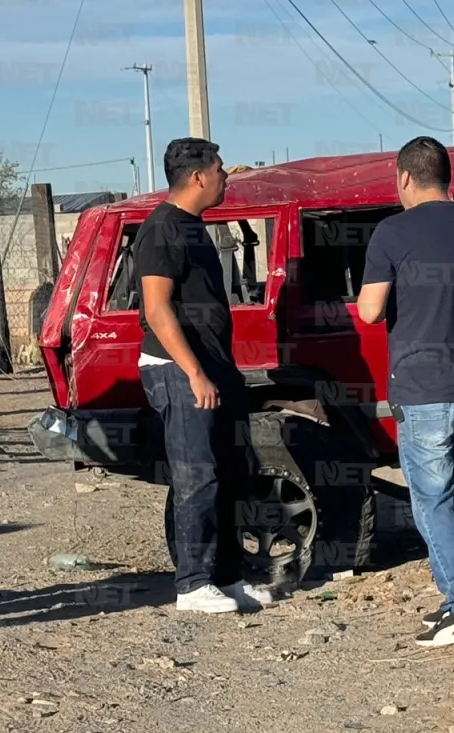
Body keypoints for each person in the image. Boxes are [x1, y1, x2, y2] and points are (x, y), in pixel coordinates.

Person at [357, 136, 454, 647]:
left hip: (422, 391)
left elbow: (369, 311)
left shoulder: (390, 232)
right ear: (446, 177)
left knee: (432, 501)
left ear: (404, 177)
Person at [133, 137, 271, 613]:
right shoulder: (161, 230)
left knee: (233, 472)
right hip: (178, 369)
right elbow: (156, 308)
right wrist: (193, 371)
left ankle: (228, 579)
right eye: (220, 170)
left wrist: (216, 370)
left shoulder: (193, 227)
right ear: (197, 177)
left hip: (214, 366)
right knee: (198, 475)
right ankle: (192, 584)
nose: (226, 178)